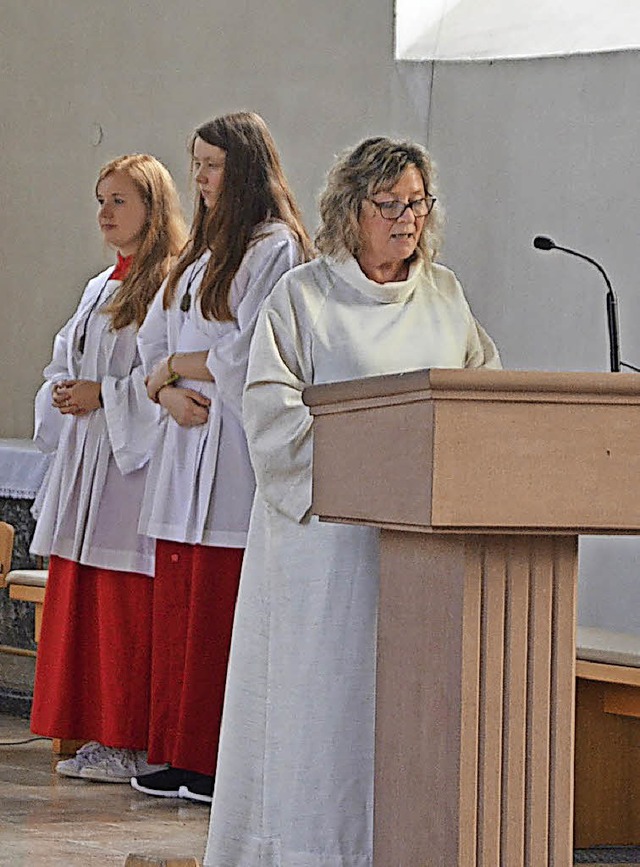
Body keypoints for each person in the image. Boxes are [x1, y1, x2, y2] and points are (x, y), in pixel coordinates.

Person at [204, 136, 501, 865]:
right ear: (351, 209)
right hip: (329, 556)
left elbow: (484, 394)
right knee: (327, 717)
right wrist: (361, 472)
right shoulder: (305, 297)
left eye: (417, 202)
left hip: (423, 556)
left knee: (407, 719)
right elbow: (272, 415)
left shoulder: (446, 294)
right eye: (390, 203)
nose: (407, 218)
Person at [130, 111, 312, 804]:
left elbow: (253, 351)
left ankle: (215, 760)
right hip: (185, 443)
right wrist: (165, 388)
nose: (199, 179)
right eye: (196, 163)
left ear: (244, 168)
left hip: (233, 449)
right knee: (180, 612)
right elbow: (152, 341)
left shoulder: (275, 248)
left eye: (211, 165)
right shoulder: (200, 253)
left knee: (219, 615)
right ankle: (176, 749)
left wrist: (176, 367)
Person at [30, 154, 187, 781]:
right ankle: (96, 733)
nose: (104, 213)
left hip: (133, 470)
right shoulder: (100, 287)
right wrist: (64, 393)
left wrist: (107, 397)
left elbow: (170, 373)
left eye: (118, 201)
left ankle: (133, 739)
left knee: (126, 605)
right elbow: (62, 360)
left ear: (152, 207)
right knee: (87, 597)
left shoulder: (171, 283)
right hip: (87, 462)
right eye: (100, 200)